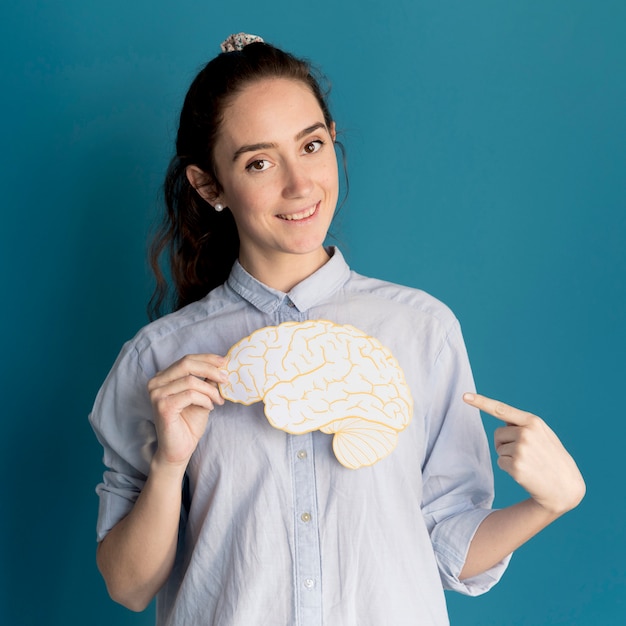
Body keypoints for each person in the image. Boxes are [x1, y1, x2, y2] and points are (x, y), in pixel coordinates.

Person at [89, 33, 585, 626]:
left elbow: (446, 546)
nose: (300, 186)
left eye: (312, 145)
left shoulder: (422, 330)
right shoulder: (160, 359)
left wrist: (550, 504)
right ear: (209, 185)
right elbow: (128, 587)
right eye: (259, 161)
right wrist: (170, 464)